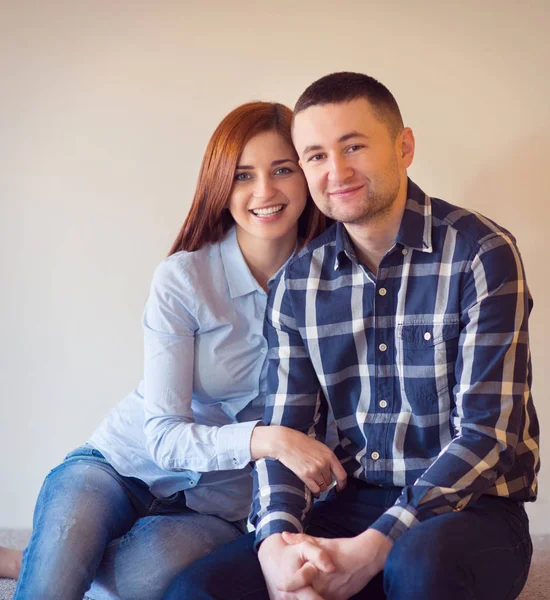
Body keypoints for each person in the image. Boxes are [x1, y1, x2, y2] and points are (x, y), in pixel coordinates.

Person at [165, 72, 540, 600]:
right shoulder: (298, 281)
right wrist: (276, 540)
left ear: (403, 146)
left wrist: (373, 547)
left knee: (417, 571)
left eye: (353, 146)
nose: (335, 171)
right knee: (197, 591)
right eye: (315, 156)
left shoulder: (481, 253)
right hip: (352, 500)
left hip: (471, 509)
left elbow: (488, 437)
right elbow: (286, 427)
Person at [3, 101, 348, 600]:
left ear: (306, 177)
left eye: (282, 171)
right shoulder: (184, 278)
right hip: (125, 464)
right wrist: (267, 440)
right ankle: (53, 552)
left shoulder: (333, 282)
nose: (265, 192)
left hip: (219, 505)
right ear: (219, 186)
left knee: (144, 578)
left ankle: (37, 555)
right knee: (58, 560)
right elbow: (163, 436)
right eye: (243, 175)